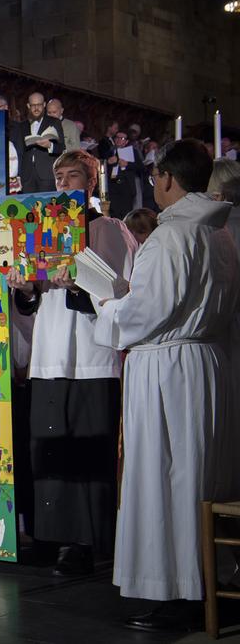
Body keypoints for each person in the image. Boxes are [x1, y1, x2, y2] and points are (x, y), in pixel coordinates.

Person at [93, 139, 240, 631]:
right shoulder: (220, 235)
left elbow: (146, 312)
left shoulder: (169, 237)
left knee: (167, 471)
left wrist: (106, 304)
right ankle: (211, 578)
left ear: (168, 179)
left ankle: (176, 589)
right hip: (208, 363)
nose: (154, 185)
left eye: (156, 178)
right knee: (203, 471)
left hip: (167, 368)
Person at [6, 151, 138, 577]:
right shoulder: (41, 232)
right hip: (48, 357)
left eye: (73, 177)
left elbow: (118, 294)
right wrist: (25, 289)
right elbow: (32, 305)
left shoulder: (107, 229)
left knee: (84, 453)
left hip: (90, 359)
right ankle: (48, 536)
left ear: (91, 181)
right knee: (49, 451)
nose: (63, 185)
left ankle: (84, 542)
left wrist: (78, 281)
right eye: (59, 177)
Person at [16, 92, 65, 193]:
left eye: (39, 105)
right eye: (33, 105)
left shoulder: (54, 122)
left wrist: (50, 145)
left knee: (47, 207)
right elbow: (19, 152)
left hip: (47, 174)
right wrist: (18, 175)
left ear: (44, 105)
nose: (36, 108)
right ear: (28, 106)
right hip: (27, 175)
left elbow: (61, 147)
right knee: (28, 207)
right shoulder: (22, 126)